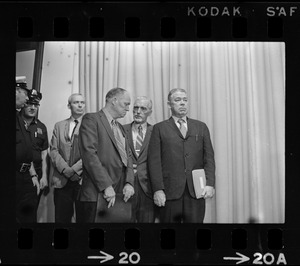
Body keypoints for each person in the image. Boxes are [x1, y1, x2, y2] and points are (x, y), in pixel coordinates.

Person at [148, 88, 216, 223]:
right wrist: (158, 190)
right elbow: (154, 162)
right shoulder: (159, 128)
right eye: (177, 100)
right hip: (170, 192)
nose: (182, 103)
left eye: (185, 100)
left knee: (194, 234)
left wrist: (210, 184)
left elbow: (209, 158)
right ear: (169, 104)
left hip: (196, 191)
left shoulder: (201, 127)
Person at [78, 87, 135, 223]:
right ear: (114, 101)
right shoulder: (91, 119)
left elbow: (128, 157)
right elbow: (89, 155)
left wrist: (129, 182)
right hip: (96, 193)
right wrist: (106, 186)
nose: (128, 109)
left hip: (119, 195)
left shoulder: (120, 127)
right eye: (126, 104)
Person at [49, 93, 85, 223]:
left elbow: (92, 152)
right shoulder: (59, 125)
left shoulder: (91, 126)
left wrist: (74, 170)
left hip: (82, 180)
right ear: (69, 105)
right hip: (61, 179)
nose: (80, 105)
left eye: (82, 102)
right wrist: (66, 170)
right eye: (76, 102)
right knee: (61, 219)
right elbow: (53, 150)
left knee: (83, 219)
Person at [123, 96, 155, 223]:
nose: (138, 111)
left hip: (148, 187)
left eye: (143, 108)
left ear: (150, 112)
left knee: (147, 230)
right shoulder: (121, 129)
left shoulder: (156, 131)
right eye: (136, 108)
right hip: (125, 186)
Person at [16, 76, 40, 223]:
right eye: (25, 94)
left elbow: (25, 150)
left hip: (26, 177)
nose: (27, 98)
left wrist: (33, 175)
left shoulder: (19, 118)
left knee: (28, 219)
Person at [20, 89, 49, 210]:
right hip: (19, 172)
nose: (32, 107)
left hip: (38, 172)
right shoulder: (17, 123)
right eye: (29, 104)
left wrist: (44, 176)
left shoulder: (41, 127)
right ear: (23, 104)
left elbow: (44, 154)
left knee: (31, 210)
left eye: (36, 104)